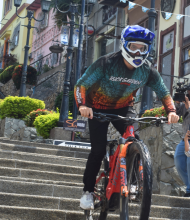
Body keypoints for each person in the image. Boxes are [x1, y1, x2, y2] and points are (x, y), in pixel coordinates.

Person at [74, 25, 179, 210]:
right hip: (96, 108)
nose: (138, 52)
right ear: (124, 45)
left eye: (143, 48)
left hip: (124, 108)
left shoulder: (147, 70)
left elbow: (163, 92)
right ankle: (88, 192)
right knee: (98, 151)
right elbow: (80, 85)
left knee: (133, 141)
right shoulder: (106, 63)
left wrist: (171, 110)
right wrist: (83, 106)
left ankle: (131, 180)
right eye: (133, 47)